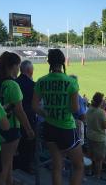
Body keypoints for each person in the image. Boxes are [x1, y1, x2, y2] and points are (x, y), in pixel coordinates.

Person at [32, 49, 84, 185]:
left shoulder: (41, 81)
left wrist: (46, 113)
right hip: (66, 128)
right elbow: (75, 108)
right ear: (63, 62)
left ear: (48, 62)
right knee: (79, 166)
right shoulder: (71, 82)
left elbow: (35, 106)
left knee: (57, 166)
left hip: (49, 128)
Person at [0, 51, 36, 185]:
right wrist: (28, 129)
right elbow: (20, 111)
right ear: (13, 66)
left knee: (8, 162)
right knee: (4, 166)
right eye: (18, 65)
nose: (18, 69)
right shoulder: (12, 85)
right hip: (10, 129)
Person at [14, 60, 36, 174]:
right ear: (29, 70)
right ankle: (26, 166)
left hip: (14, 118)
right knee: (29, 143)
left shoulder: (15, 82)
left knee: (19, 142)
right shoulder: (32, 85)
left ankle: (17, 164)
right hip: (28, 118)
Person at [85, 92, 106, 181]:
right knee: (99, 159)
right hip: (99, 139)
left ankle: (89, 172)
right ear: (100, 101)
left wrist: (102, 108)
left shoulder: (90, 109)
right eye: (102, 100)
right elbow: (105, 126)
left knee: (89, 155)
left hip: (90, 135)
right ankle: (97, 176)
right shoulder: (102, 112)